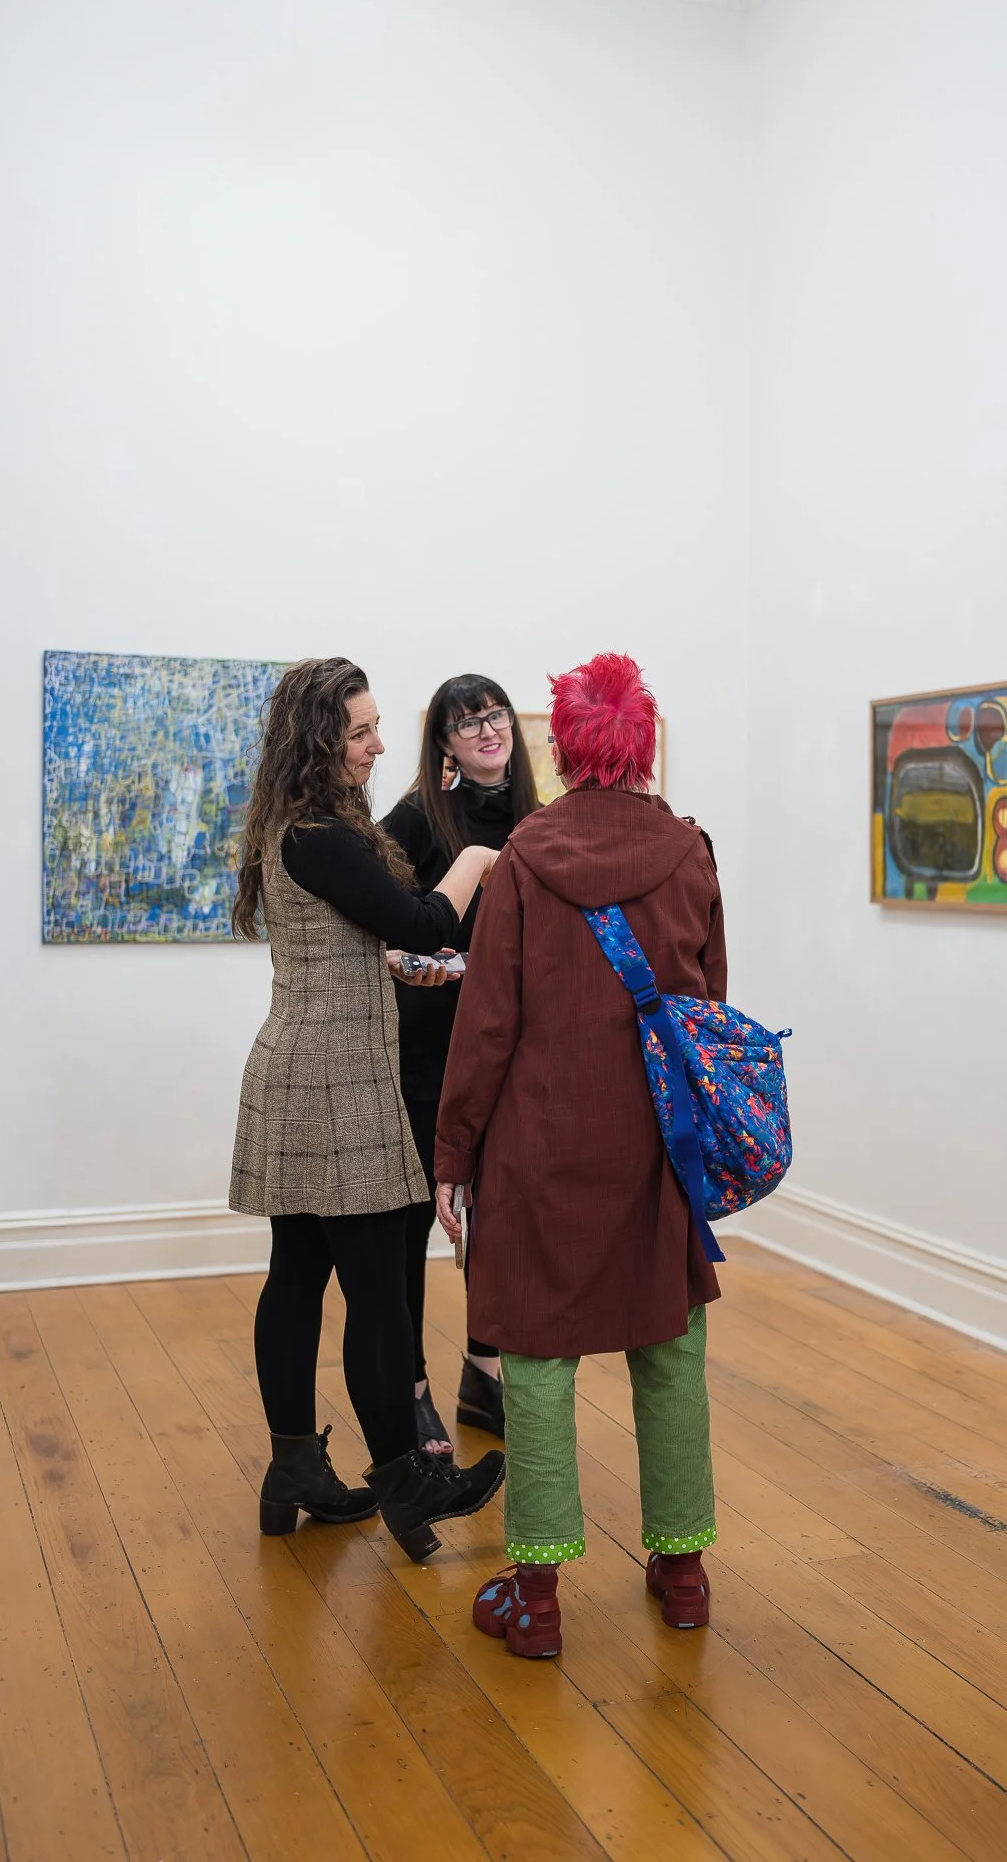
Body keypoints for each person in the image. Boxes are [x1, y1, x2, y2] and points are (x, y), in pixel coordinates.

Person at [435, 653, 723, 1659]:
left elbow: (487, 1025)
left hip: (541, 1148)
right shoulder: (690, 852)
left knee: (536, 1359)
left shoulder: (523, 857)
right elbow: (707, 1010)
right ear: (642, 745)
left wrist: (453, 1152)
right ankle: (682, 1573)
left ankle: (539, 1597)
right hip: (657, 1147)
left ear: (560, 749)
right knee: (670, 1350)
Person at [229, 656, 505, 1562]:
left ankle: (295, 1472)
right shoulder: (322, 834)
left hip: (302, 1068)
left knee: (299, 1273)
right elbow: (424, 921)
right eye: (359, 731)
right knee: (379, 1289)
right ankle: (407, 1478)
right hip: (337, 1082)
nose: (378, 744)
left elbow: (348, 940)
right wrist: (475, 859)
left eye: (376, 725)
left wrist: (384, 966)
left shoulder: (299, 826)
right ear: (318, 740)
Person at [382, 676, 540, 1455]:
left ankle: (484, 1374)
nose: (486, 730)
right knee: (413, 1220)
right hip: (426, 1052)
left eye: (493, 714)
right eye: (465, 722)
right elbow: (378, 933)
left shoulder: (539, 820)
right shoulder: (416, 818)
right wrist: (444, 966)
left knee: (500, 1219)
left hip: (510, 1053)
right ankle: (409, 1389)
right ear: (442, 743)